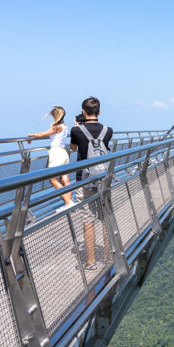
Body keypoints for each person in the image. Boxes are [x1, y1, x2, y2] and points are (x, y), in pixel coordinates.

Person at [69, 96, 114, 265]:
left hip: (84, 179)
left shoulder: (76, 131)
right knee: (105, 216)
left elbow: (74, 148)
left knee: (88, 219)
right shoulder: (108, 130)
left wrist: (77, 127)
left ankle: (91, 261)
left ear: (83, 112)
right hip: (104, 178)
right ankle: (108, 255)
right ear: (99, 112)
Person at [27, 106, 74, 209]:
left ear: (54, 116)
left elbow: (41, 134)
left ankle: (69, 202)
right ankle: (69, 203)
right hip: (64, 152)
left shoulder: (56, 127)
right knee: (65, 180)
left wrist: (32, 136)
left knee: (52, 179)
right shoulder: (65, 126)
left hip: (56, 153)